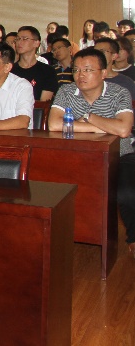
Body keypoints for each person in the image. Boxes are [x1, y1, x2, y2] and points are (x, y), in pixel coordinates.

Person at [48, 47, 135, 258]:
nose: (80, 75)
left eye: (87, 70)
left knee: (127, 193)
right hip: (77, 157)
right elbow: (54, 125)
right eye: (76, 70)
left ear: (103, 73)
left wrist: (89, 117)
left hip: (119, 156)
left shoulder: (119, 93)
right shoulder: (66, 91)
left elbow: (124, 130)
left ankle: (133, 237)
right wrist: (101, 127)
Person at [11, 26, 57, 101]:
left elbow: (43, 103)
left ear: (36, 43)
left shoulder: (48, 71)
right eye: (18, 39)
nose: (19, 42)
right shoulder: (10, 70)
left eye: (24, 39)